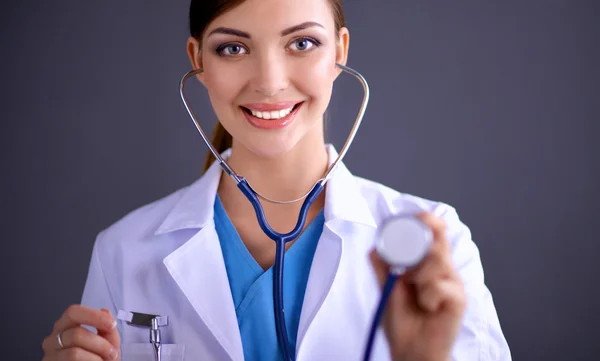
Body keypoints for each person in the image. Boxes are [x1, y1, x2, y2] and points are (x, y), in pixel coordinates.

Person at [41, 0, 511, 360]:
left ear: (340, 51)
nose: (269, 82)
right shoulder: (123, 249)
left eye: (302, 43)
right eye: (233, 47)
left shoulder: (434, 240)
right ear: (198, 60)